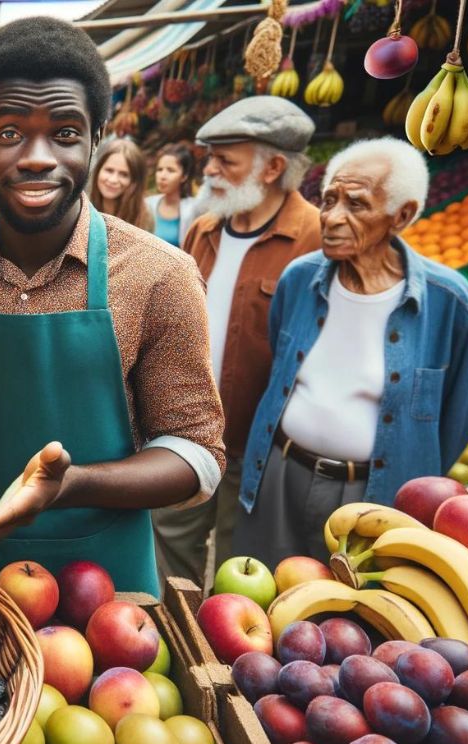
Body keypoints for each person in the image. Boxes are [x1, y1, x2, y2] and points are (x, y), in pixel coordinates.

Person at [0, 18, 225, 595]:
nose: (36, 157)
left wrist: (72, 483)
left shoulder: (160, 276)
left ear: (96, 137)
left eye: (63, 132)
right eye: (9, 133)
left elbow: (196, 454)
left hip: (106, 592)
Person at [237, 138, 468, 565]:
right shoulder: (299, 279)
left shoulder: (449, 301)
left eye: (356, 204)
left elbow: (460, 415)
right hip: (280, 475)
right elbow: (279, 363)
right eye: (328, 199)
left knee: (353, 620)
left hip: (376, 498)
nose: (331, 217)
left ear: (402, 215)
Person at [151, 96, 322, 587]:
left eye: (227, 160)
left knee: (239, 571)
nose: (210, 170)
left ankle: (223, 665)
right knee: (169, 563)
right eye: (211, 157)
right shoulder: (204, 230)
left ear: (272, 168)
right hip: (184, 435)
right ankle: (174, 654)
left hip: (257, 445)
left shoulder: (311, 237)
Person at [88, 138, 152, 230]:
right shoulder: (82, 206)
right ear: (98, 170)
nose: (113, 180)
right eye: (109, 170)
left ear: (134, 181)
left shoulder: (145, 215)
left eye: (124, 174)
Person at [145, 144, 198, 248]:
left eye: (170, 170)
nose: (162, 176)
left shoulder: (194, 209)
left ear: (184, 176)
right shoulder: (147, 204)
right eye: (159, 170)